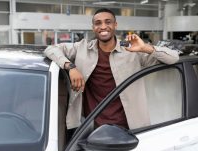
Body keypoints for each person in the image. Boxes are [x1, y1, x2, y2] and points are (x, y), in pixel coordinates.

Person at [44, 8, 179, 131]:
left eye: (108, 22)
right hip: (89, 126)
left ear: (115, 25)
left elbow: (173, 58)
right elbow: (50, 49)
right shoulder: (82, 47)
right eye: (98, 23)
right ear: (93, 27)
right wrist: (70, 67)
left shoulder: (131, 49)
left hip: (129, 127)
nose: (103, 26)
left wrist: (145, 48)